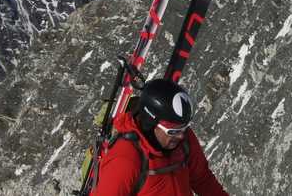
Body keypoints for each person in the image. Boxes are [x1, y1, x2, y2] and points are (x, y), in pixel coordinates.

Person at [92, 79, 230, 196]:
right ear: (151, 124)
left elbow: (202, 179)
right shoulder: (126, 159)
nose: (181, 135)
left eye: (183, 128)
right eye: (172, 131)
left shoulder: (183, 140)